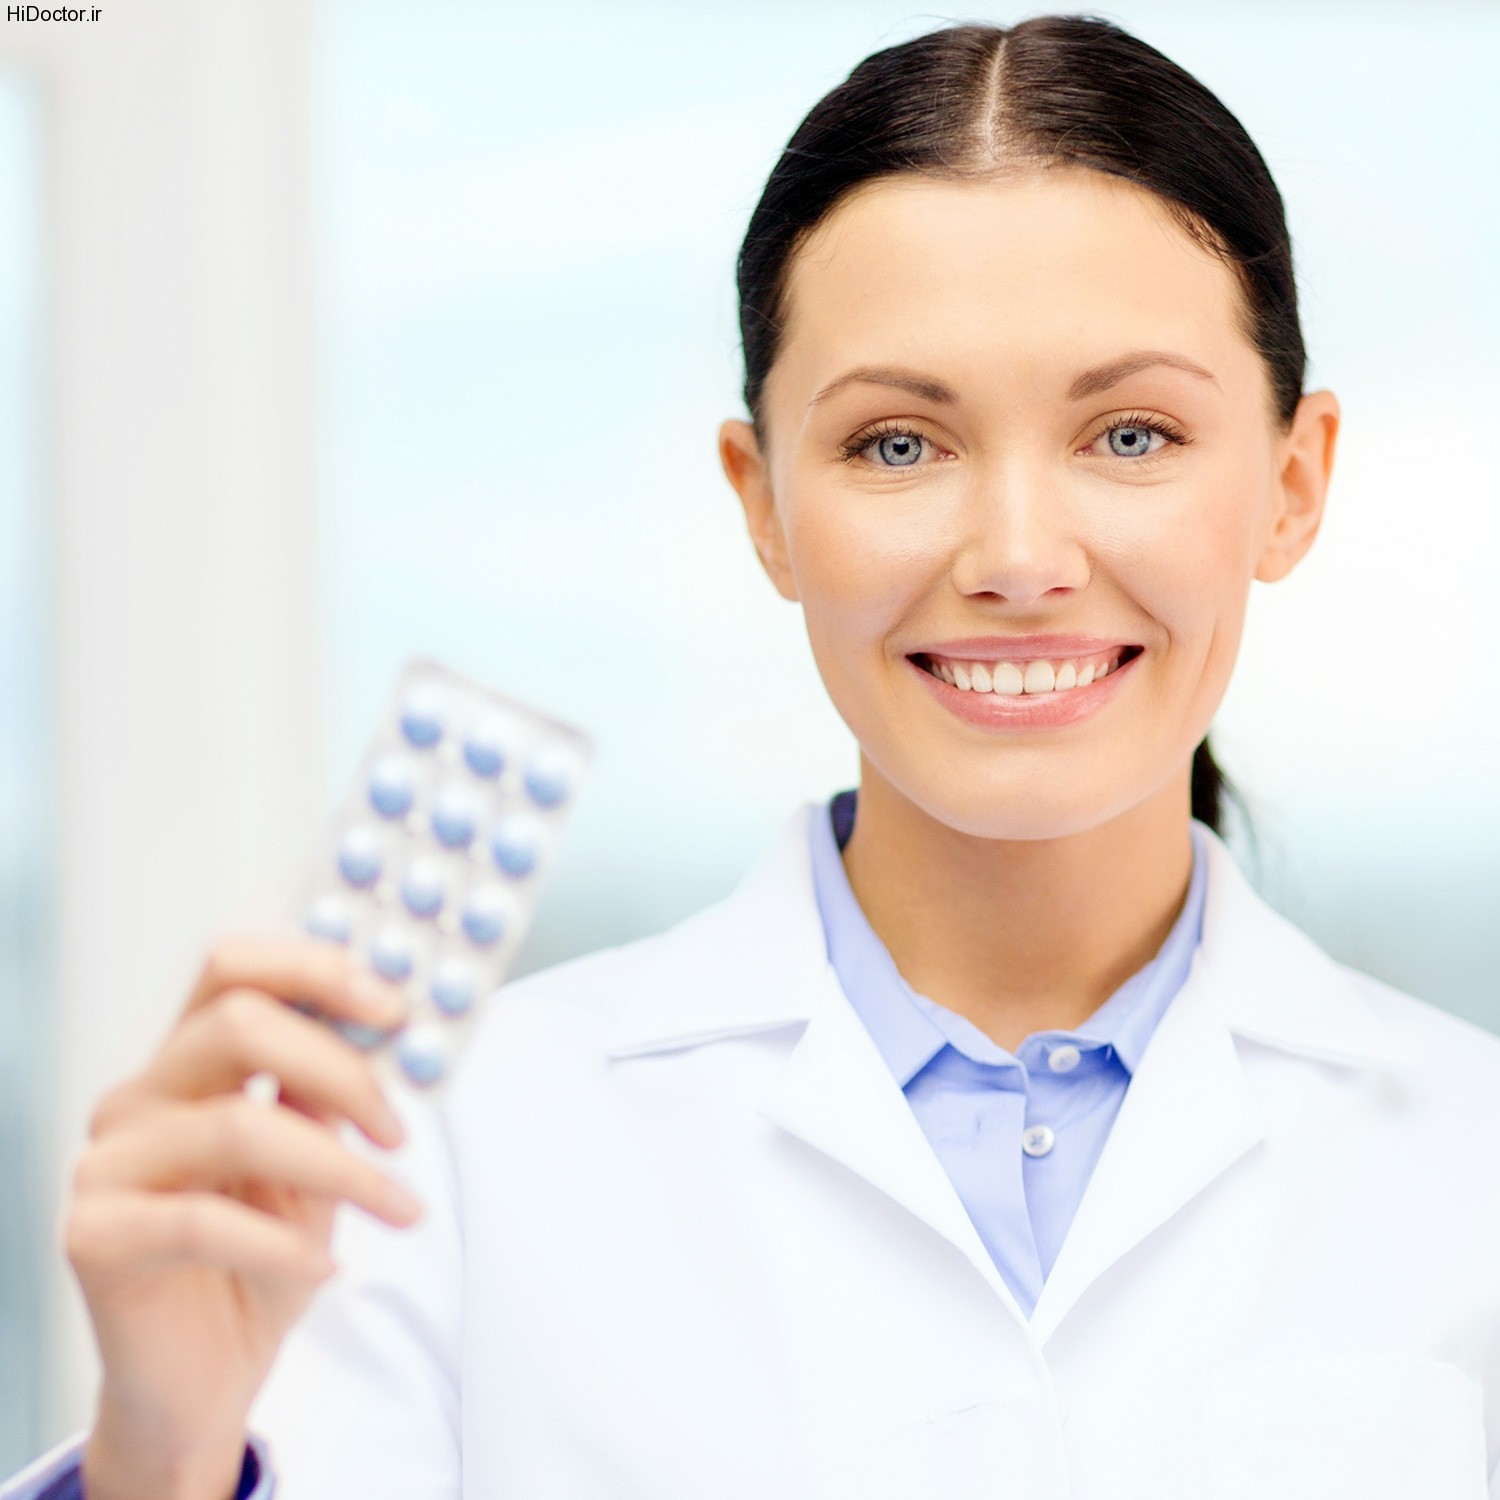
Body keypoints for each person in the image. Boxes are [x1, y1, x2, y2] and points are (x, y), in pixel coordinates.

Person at [6, 14, 1500, 1499]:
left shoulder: (1470, 1162)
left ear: (1294, 482)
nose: (1019, 556)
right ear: (764, 504)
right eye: (898, 444)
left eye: (1131, 435)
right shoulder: (433, 1163)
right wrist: (165, 1456)